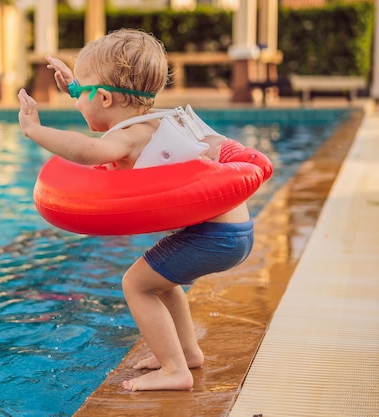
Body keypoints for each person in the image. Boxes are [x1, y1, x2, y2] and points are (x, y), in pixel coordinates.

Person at [18, 28, 254, 391]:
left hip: (215, 236)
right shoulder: (157, 120)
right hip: (232, 229)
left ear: (107, 98)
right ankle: (187, 353)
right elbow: (100, 109)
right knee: (161, 281)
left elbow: (87, 151)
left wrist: (35, 130)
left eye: (80, 93)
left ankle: (175, 370)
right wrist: (75, 88)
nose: (76, 100)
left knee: (136, 284)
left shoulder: (127, 136)